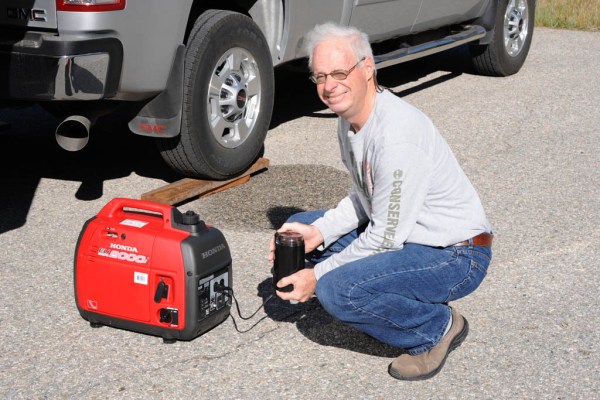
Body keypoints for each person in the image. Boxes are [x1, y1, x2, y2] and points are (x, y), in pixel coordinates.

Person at [268, 22, 493, 381]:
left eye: (340, 72)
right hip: (408, 237)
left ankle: (436, 328)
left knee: (337, 289)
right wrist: (317, 231)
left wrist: (318, 275)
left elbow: (384, 238)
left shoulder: (396, 138)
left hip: (455, 254)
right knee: (303, 227)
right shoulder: (352, 118)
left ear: (368, 68)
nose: (329, 86)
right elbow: (364, 198)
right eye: (320, 76)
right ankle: (387, 295)